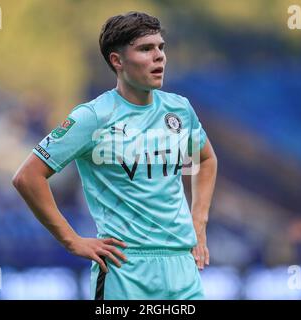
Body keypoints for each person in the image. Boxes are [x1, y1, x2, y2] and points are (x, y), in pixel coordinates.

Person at [12, 11, 217, 300]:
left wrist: (199, 220)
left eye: (161, 47)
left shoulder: (179, 109)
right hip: (126, 269)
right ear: (117, 61)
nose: (159, 56)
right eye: (146, 49)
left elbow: (206, 159)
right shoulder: (92, 117)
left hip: (183, 269)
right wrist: (72, 241)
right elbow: (28, 177)